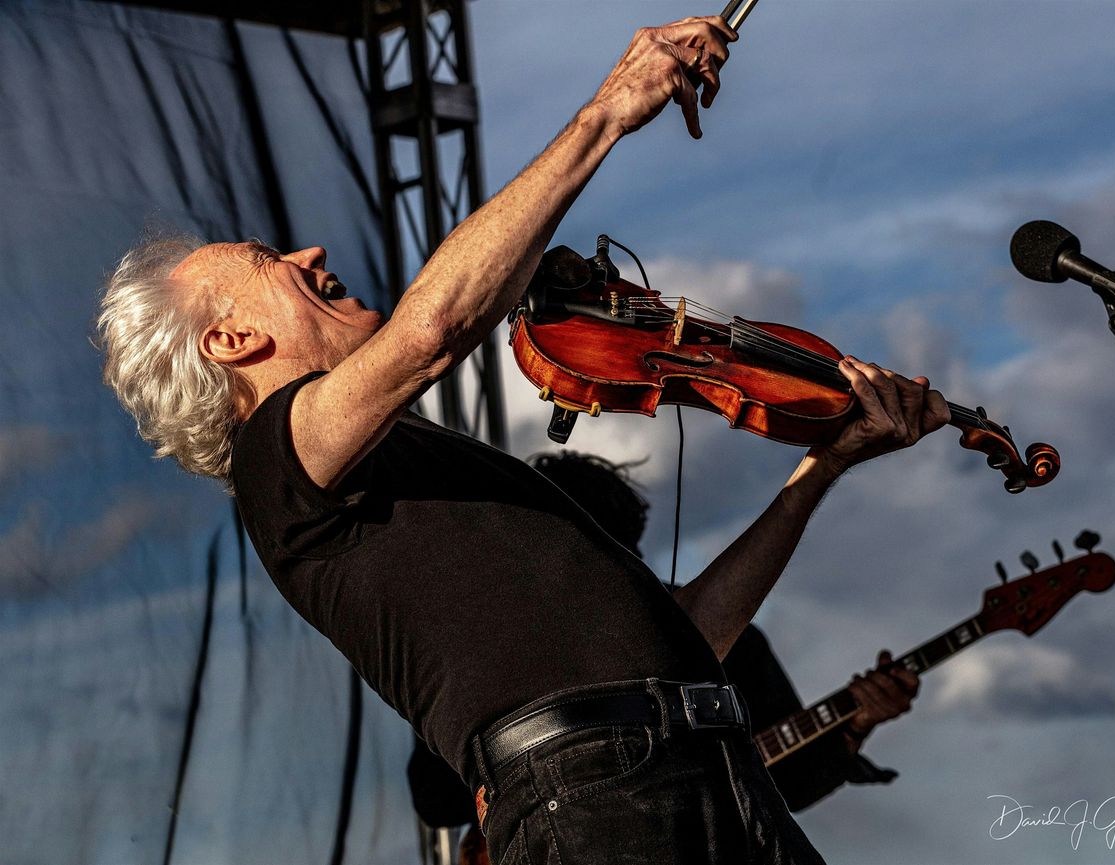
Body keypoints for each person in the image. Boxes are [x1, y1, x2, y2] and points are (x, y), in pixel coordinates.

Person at [97, 16, 950, 864]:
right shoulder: (275, 463)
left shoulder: (425, 469)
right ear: (231, 342)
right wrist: (606, 112)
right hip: (597, 797)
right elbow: (435, 327)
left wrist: (825, 461)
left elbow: (696, 632)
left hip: (712, 771)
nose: (309, 249)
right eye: (264, 257)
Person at [406, 452, 918, 862]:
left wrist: (856, 723)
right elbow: (432, 797)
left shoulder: (733, 638)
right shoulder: (496, 644)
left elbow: (790, 786)